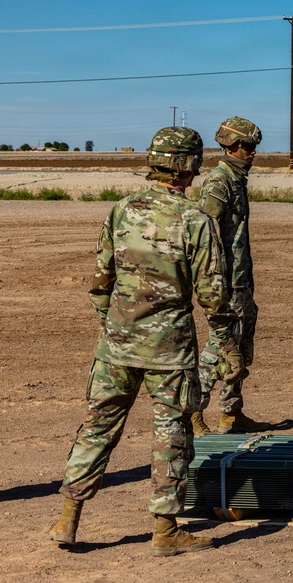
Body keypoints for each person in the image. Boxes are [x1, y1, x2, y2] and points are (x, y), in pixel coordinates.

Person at [49, 127, 242, 556]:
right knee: (171, 433)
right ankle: (165, 530)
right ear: (188, 166)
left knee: (97, 426)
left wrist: (116, 325)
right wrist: (226, 338)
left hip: (115, 345)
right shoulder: (196, 220)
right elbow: (214, 295)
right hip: (169, 350)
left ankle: (68, 518)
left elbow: (101, 283)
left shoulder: (120, 210)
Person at [191, 116, 268, 436]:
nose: (252, 153)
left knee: (241, 348)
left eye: (254, 147)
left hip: (241, 281)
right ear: (229, 147)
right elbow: (202, 233)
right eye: (246, 147)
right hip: (224, 282)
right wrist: (211, 281)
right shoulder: (220, 182)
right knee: (220, 349)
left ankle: (231, 414)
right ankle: (193, 413)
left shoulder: (237, 180)